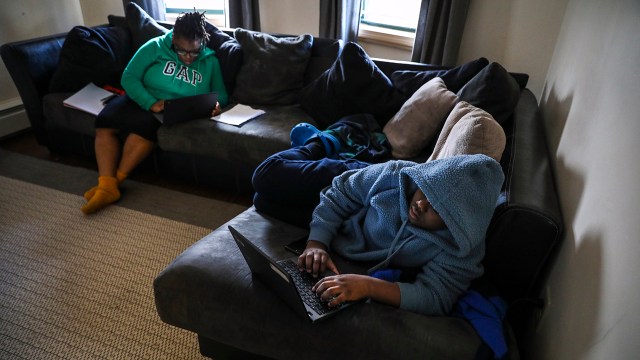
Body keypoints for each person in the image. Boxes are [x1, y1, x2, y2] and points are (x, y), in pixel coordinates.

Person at [297, 153, 504, 316]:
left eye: (437, 209)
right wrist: (316, 243)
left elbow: (436, 296)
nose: (421, 204)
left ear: (456, 223)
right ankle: (321, 144)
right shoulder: (394, 173)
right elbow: (340, 192)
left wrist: (369, 286)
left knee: (266, 201)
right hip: (356, 179)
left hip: (353, 231)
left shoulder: (461, 246)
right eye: (426, 190)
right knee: (270, 176)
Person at [81, 10, 228, 214]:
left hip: (170, 109)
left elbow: (221, 94)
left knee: (143, 131)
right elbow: (129, 77)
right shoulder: (154, 47)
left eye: (194, 52)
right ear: (173, 39)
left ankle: (110, 186)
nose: (188, 58)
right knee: (104, 123)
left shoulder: (210, 62)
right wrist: (149, 102)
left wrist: (217, 105)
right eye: (181, 51)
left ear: (202, 42)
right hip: (140, 97)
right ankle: (107, 185)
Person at [252, 114, 391, 227]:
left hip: (353, 217)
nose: (414, 205)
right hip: (367, 180)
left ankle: (320, 147)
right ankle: (320, 144)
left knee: (261, 200)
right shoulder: (406, 179)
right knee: (265, 174)